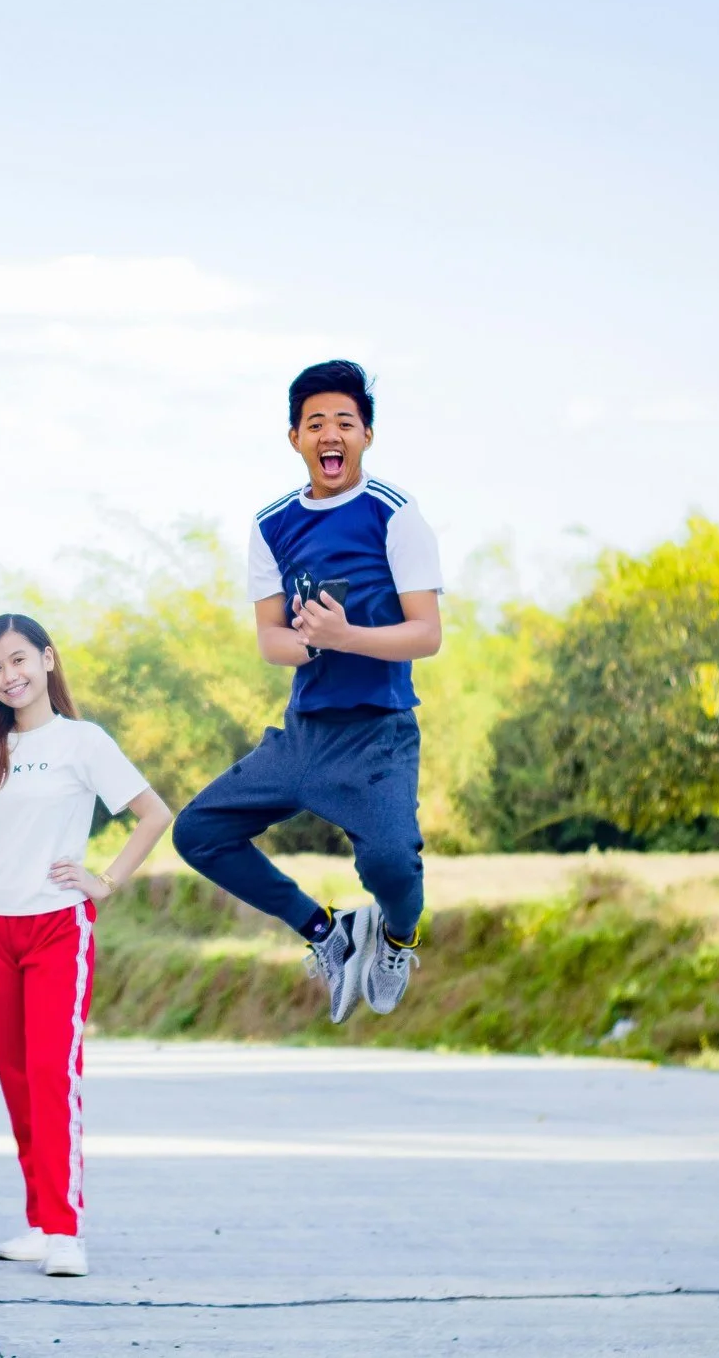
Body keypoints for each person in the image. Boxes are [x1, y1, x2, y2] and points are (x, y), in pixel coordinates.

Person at [171, 359, 443, 1023]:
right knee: (197, 832)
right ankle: (328, 931)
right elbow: (272, 640)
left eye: (345, 422)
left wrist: (347, 635)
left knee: (392, 867)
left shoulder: (395, 514)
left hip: (379, 733)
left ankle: (395, 940)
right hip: (304, 736)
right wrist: (316, 643)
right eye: (315, 423)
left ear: (366, 435)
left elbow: (426, 633)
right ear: (294, 438)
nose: (330, 434)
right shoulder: (272, 524)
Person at [0, 614, 171, 1280]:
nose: (9, 676)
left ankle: (65, 1230)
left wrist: (105, 881)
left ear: (47, 659)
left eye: (18, 660)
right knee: (17, 1079)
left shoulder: (82, 741)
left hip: (56, 926)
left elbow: (154, 814)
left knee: (52, 1075)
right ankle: (40, 1219)